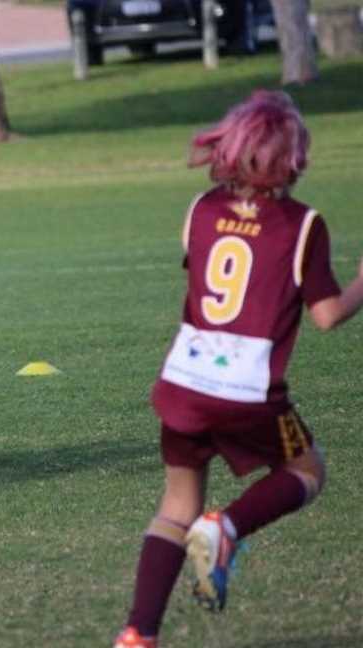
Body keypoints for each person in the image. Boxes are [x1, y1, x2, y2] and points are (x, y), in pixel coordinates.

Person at [113, 90, 363, 648]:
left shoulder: (200, 210)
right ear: (292, 158)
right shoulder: (303, 224)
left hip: (183, 381)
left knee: (177, 505)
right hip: (247, 388)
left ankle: (137, 634)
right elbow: (326, 316)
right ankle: (226, 528)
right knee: (307, 471)